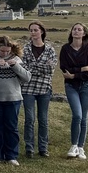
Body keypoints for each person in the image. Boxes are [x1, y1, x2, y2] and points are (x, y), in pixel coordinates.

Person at [0, 36, 31, 167]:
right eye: (2, 51)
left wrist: (16, 66)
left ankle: (11, 155)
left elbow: (27, 77)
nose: (5, 54)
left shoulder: (16, 59)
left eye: (7, 51)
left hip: (13, 98)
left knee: (11, 128)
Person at [60, 23, 88, 160]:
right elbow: (64, 69)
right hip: (71, 87)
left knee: (84, 117)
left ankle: (81, 148)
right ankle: (73, 145)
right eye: (74, 29)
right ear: (71, 33)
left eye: (79, 29)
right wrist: (82, 69)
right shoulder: (65, 49)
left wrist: (75, 74)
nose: (76, 31)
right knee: (77, 115)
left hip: (86, 86)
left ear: (84, 33)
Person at [20, 21, 55, 158]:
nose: (33, 33)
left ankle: (43, 147)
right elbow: (23, 68)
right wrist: (40, 67)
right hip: (28, 88)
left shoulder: (50, 50)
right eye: (31, 30)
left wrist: (32, 68)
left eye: (35, 30)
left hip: (44, 88)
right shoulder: (26, 49)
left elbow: (50, 68)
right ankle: (29, 148)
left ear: (41, 31)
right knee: (29, 118)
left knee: (43, 119)